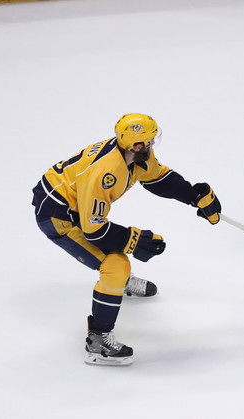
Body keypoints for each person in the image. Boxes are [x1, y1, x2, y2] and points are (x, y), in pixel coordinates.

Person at [31, 113, 221, 366]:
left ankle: (118, 285)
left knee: (116, 259)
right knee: (116, 266)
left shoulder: (134, 153)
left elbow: (157, 177)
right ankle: (98, 341)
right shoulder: (106, 172)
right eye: (150, 141)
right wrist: (134, 240)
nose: (153, 145)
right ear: (137, 145)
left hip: (76, 205)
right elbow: (93, 230)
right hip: (57, 216)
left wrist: (194, 196)